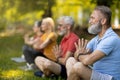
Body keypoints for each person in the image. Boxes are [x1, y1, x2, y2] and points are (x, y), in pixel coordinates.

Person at [66, 6, 120, 80]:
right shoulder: (96, 39)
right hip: (97, 74)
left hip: (109, 78)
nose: (89, 21)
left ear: (103, 21)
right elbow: (76, 55)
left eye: (92, 18)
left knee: (78, 66)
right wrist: (79, 54)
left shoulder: (111, 39)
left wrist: (80, 55)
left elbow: (87, 60)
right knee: (70, 60)